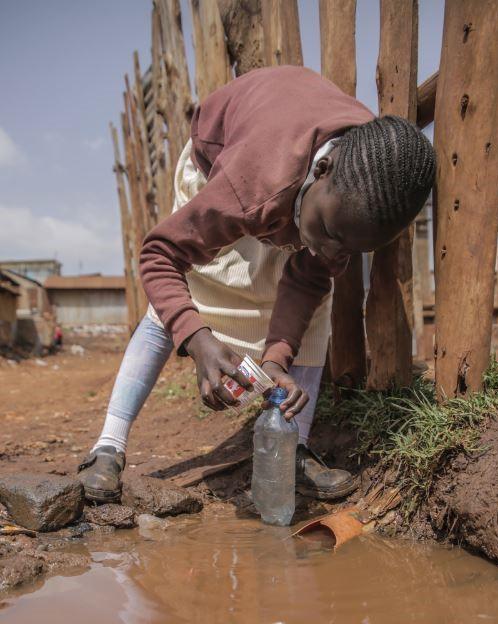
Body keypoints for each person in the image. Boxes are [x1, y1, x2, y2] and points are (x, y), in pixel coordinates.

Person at [78, 66, 435, 503]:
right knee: (183, 294)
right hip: (228, 164)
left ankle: (292, 447)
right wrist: (198, 341)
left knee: (313, 313)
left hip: (289, 185)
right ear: (322, 169)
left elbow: (306, 280)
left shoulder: (362, 187)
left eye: (347, 250)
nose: (330, 252)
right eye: (328, 233)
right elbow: (160, 257)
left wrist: (277, 360)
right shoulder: (250, 184)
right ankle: (108, 445)